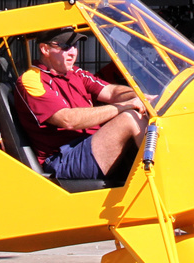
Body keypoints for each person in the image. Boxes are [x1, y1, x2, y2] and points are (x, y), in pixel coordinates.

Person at [13, 27, 144, 182]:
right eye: (65, 46)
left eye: (75, 46)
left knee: (144, 112)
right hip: (63, 160)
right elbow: (67, 119)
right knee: (129, 118)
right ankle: (168, 175)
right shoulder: (31, 79)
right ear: (45, 49)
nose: (73, 52)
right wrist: (124, 106)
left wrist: (143, 97)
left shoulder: (75, 73)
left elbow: (111, 91)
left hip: (87, 146)